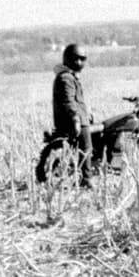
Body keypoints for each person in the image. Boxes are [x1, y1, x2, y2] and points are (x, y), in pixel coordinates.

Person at [51, 43, 94, 185]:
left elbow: (77, 101)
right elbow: (68, 102)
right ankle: (86, 179)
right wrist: (76, 118)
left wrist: (87, 113)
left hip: (80, 118)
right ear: (67, 59)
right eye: (76, 59)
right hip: (73, 121)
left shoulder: (70, 77)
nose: (79, 62)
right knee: (86, 148)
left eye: (82, 59)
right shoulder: (65, 78)